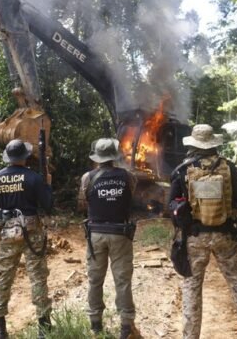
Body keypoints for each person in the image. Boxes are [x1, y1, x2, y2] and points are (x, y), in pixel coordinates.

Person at [169, 124, 237, 339]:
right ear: (213, 144)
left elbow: (171, 205)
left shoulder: (182, 170)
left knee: (192, 287)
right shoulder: (229, 167)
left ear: (193, 145)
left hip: (195, 238)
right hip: (225, 236)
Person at [0, 139, 53, 339]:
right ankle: (44, 327)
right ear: (25, 156)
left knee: (3, 278)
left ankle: (0, 328)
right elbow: (48, 205)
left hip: (7, 233)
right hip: (32, 232)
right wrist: (48, 184)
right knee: (38, 277)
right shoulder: (34, 177)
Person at [77, 138, 140, 339]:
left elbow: (82, 204)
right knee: (123, 281)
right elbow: (130, 197)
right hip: (120, 233)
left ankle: (95, 325)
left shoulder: (87, 178)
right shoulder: (128, 176)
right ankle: (126, 327)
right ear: (114, 156)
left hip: (95, 234)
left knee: (95, 280)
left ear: (97, 157)